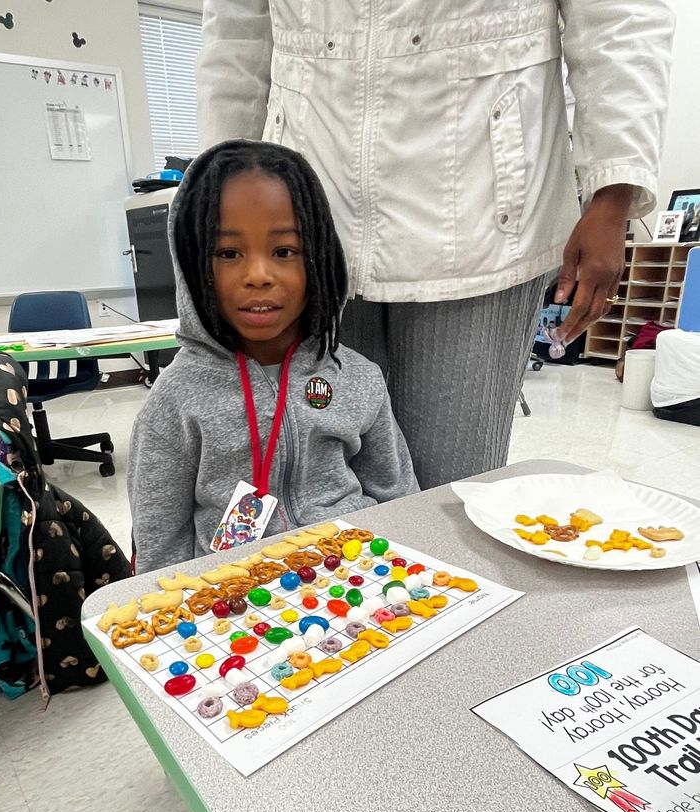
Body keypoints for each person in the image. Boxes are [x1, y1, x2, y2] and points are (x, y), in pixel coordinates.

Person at [196, 1, 675, 487]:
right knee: (315, 483)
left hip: (479, 209)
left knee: (451, 491)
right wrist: (215, 197)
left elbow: (621, 18)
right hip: (308, 213)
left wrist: (614, 189)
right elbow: (236, 40)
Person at [128, 141, 418, 574]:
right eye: (228, 254)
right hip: (239, 596)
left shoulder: (358, 377)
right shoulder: (176, 398)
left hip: (356, 579)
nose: (258, 276)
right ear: (192, 264)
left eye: (284, 252)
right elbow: (159, 546)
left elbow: (398, 498)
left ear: (318, 259)